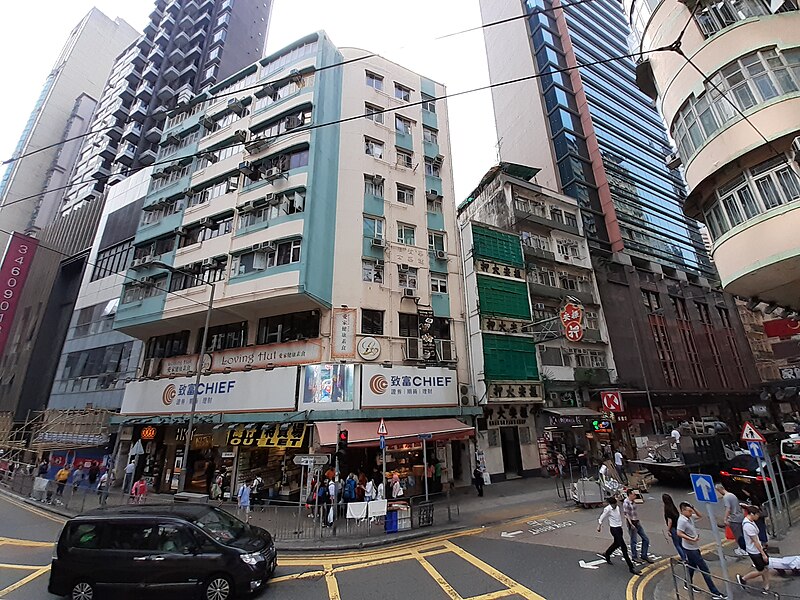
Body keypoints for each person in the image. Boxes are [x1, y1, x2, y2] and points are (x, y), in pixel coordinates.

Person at [676, 502, 725, 599]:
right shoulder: (682, 520)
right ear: (683, 511)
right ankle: (715, 592)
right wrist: (692, 539)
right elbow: (679, 533)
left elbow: (700, 516)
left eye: (691, 511)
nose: (691, 513)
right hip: (691, 549)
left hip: (693, 547)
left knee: (692, 566)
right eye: (689, 511)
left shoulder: (689, 517)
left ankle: (687, 583)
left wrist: (693, 507)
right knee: (705, 570)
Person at [598, 496, 638, 575]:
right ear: (610, 504)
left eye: (615, 504)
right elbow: (602, 517)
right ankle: (631, 567)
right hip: (614, 529)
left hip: (619, 528)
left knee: (616, 544)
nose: (615, 506)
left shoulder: (617, 508)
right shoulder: (607, 509)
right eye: (613, 505)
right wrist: (599, 525)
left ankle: (607, 553)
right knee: (623, 547)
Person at [737, 507, 770, 593]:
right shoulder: (748, 526)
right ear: (752, 514)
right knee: (761, 570)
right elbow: (755, 541)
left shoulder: (749, 521)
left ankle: (766, 586)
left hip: (757, 549)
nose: (758, 517)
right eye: (757, 515)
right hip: (755, 551)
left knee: (765, 567)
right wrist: (763, 554)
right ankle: (743, 579)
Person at [716, 482, 746, 556]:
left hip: (734, 519)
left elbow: (728, 509)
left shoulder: (726, 497)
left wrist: (725, 519)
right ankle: (744, 548)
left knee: (738, 535)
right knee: (742, 534)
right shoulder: (732, 495)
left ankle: (743, 550)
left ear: (720, 489)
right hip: (740, 517)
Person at [623, 489, 653, 564]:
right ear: (629, 494)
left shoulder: (633, 502)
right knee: (634, 541)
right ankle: (634, 556)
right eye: (633, 494)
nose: (635, 496)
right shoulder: (626, 503)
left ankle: (644, 555)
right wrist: (631, 524)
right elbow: (626, 515)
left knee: (645, 539)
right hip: (632, 523)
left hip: (637, 521)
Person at [662, 493, 686, 562]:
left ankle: (683, 558)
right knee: (681, 543)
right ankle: (686, 556)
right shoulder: (673, 507)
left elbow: (670, 521)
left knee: (677, 544)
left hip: (673, 529)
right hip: (678, 527)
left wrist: (668, 530)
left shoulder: (667, 509)